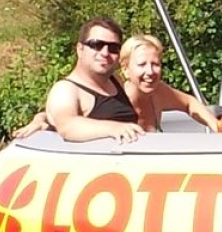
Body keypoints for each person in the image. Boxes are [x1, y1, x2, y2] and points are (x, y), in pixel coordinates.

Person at [38, 16, 145, 144]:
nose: (105, 53)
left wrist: (41, 117)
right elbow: (67, 126)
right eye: (96, 45)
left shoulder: (116, 80)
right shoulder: (66, 89)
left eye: (113, 48)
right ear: (80, 49)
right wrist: (113, 128)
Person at [119, 34, 221, 132]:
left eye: (155, 64)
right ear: (125, 70)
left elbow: (189, 102)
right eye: (142, 65)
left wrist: (218, 126)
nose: (150, 71)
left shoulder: (158, 92)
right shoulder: (116, 102)